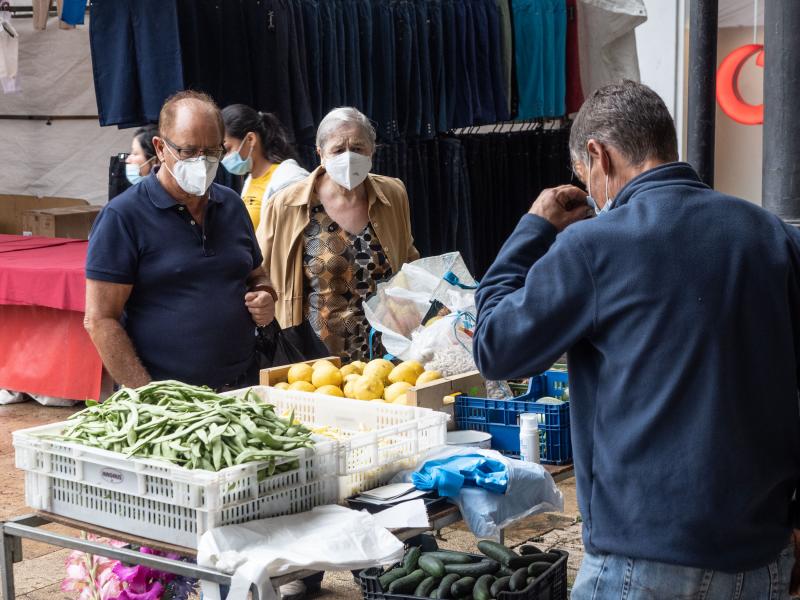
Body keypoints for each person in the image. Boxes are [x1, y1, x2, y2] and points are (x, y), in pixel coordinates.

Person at [472, 80, 800, 598]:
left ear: (598, 155)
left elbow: (494, 347)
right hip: (761, 559)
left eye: (585, 176)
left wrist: (534, 227)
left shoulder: (593, 245)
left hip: (642, 562)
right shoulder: (771, 234)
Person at [84, 90, 276, 392]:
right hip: (168, 399)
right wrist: (150, 398)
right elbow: (100, 320)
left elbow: (256, 274)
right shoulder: (123, 217)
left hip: (243, 387)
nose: (202, 162)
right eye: (189, 151)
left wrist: (265, 294)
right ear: (160, 149)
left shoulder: (232, 205)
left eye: (213, 152)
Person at [260, 106, 419, 362]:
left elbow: (408, 259)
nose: (348, 156)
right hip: (316, 359)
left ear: (372, 150)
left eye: (357, 148)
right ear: (321, 154)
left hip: (388, 353)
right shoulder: (287, 205)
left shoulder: (393, 193)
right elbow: (261, 271)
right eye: (338, 149)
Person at [221, 105, 308, 229]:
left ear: (250, 139)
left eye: (228, 149)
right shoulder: (250, 180)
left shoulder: (290, 180)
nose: (224, 158)